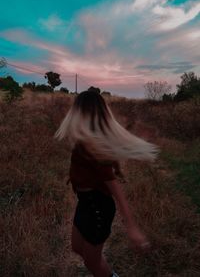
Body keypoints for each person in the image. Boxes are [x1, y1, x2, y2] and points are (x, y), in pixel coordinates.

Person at [54, 90, 159, 277]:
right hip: (86, 203)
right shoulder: (85, 139)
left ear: (80, 111)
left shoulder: (93, 145)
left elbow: (115, 189)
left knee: (92, 263)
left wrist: (132, 227)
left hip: (97, 209)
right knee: (77, 247)